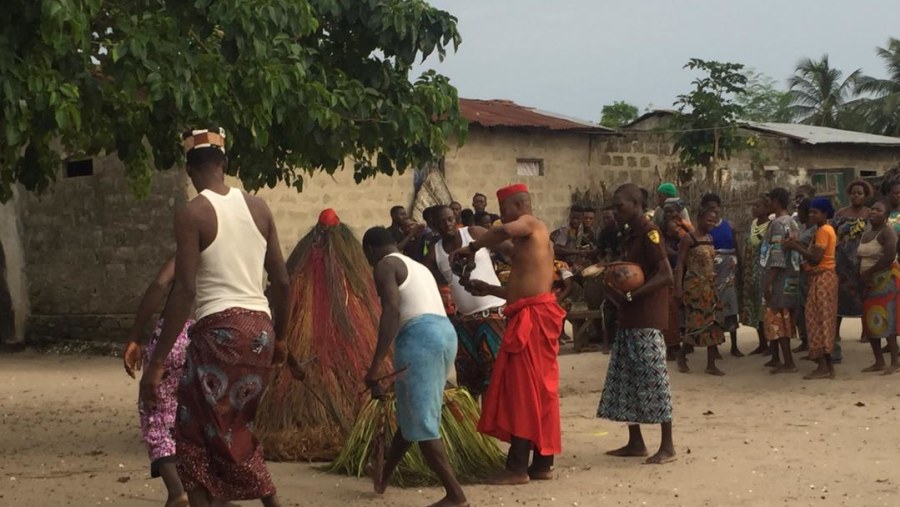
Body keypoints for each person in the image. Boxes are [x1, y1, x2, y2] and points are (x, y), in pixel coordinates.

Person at [139, 128, 291, 507]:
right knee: (233, 427)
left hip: (220, 333)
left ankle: (268, 501)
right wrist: (282, 339)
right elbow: (283, 281)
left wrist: (156, 364)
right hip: (260, 331)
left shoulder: (193, 213)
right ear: (225, 164)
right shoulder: (259, 207)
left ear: (189, 169)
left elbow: (184, 291)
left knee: (190, 435)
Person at [450, 183, 565, 484]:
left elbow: (503, 233)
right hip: (531, 314)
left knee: (523, 390)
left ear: (517, 206)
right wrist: (489, 289)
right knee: (539, 390)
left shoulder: (530, 222)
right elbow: (522, 282)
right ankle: (542, 464)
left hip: (533, 320)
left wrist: (473, 247)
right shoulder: (532, 244)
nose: (501, 219)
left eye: (503, 212)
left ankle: (517, 467)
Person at [361, 227, 468, 507]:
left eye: (367, 256)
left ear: (371, 250)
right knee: (411, 411)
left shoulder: (385, 265)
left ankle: (455, 495)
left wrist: (375, 367)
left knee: (422, 420)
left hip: (420, 337)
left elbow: (392, 311)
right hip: (445, 333)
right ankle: (383, 474)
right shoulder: (417, 265)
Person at [597, 183, 676, 464]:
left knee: (654, 379)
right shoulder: (629, 232)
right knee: (627, 378)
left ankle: (667, 446)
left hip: (647, 317)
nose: (615, 211)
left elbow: (667, 275)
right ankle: (636, 441)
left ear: (636, 204)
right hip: (630, 314)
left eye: (620, 206)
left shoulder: (650, 232)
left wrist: (632, 293)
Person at [123, 256, 193, 507]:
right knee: (197, 414)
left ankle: (177, 490)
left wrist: (134, 335)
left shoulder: (189, 252)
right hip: (213, 335)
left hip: (175, 336)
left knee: (155, 410)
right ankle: (206, 494)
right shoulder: (229, 253)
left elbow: (160, 284)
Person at [428, 205, 509, 398]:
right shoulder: (436, 253)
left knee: (495, 374)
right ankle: (474, 425)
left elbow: (508, 249)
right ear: (433, 226)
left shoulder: (473, 233)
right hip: (464, 321)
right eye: (441, 222)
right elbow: (423, 276)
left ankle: (495, 425)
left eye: (449, 219)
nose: (447, 225)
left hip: (493, 313)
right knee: (468, 379)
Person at [783, 197, 838, 380]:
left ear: (824, 213)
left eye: (816, 212)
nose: (812, 215)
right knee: (825, 320)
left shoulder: (823, 231)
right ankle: (828, 365)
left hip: (821, 278)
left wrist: (794, 247)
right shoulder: (826, 229)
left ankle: (822, 366)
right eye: (811, 212)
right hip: (825, 278)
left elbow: (815, 258)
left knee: (816, 320)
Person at [675, 207, 727, 376]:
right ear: (699, 219)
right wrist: (678, 287)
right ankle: (681, 356)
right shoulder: (688, 239)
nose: (711, 223)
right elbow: (681, 264)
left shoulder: (710, 238)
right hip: (695, 286)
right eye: (708, 220)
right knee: (695, 324)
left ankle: (711, 364)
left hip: (710, 286)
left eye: (713, 220)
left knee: (713, 323)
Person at [761, 187, 800, 374]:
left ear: (776, 201)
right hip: (791, 277)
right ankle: (779, 358)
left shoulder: (777, 224)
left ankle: (789, 362)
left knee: (779, 320)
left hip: (778, 279)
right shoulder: (792, 222)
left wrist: (768, 283)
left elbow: (776, 257)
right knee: (786, 318)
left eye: (769, 200)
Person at [858, 200, 900, 374]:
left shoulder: (887, 233)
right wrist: (859, 277)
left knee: (887, 319)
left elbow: (889, 256)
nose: (874, 212)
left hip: (885, 281)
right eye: (872, 209)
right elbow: (860, 256)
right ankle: (878, 361)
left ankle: (895, 362)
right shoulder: (866, 233)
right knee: (869, 320)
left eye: (879, 210)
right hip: (868, 282)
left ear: (886, 216)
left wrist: (870, 273)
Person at [701, 193, 742, 357]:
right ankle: (715, 346)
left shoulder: (729, 225)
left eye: (716, 207)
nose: (714, 210)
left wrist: (740, 267)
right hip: (713, 270)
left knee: (731, 306)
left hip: (729, 271)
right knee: (714, 307)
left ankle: (734, 346)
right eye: (710, 208)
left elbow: (736, 246)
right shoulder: (706, 229)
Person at [834, 180, 873, 348]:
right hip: (842, 263)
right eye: (853, 193)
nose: (856, 196)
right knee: (839, 297)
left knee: (864, 296)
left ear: (865, 196)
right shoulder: (841, 214)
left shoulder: (870, 214)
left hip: (861, 262)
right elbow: (833, 235)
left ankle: (865, 332)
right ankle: (835, 333)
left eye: (860, 193)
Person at [661, 200, 693, 360]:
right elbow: (671, 254)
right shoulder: (663, 237)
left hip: (686, 276)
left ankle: (684, 345)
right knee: (671, 314)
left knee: (687, 313)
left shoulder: (685, 233)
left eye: (674, 213)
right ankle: (673, 347)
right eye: (667, 213)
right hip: (670, 277)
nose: (671, 216)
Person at [741, 195, 771, 356]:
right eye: (753, 205)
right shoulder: (753, 224)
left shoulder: (771, 226)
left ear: (767, 208)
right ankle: (761, 342)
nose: (754, 209)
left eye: (757, 205)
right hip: (751, 271)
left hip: (763, 272)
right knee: (754, 307)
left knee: (764, 308)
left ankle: (769, 343)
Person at [793, 199, 816, 354]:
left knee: (808, 308)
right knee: (800, 308)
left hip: (808, 274)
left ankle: (810, 342)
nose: (798, 214)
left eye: (800, 211)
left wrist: (794, 245)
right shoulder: (805, 229)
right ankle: (805, 340)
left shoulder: (813, 231)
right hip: (800, 274)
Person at [551, 205, 596, 272]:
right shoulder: (565, 230)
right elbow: (557, 249)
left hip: (574, 263)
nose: (575, 221)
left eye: (578, 219)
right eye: (573, 218)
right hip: (561, 263)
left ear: (582, 218)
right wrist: (577, 252)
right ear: (570, 217)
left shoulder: (581, 229)